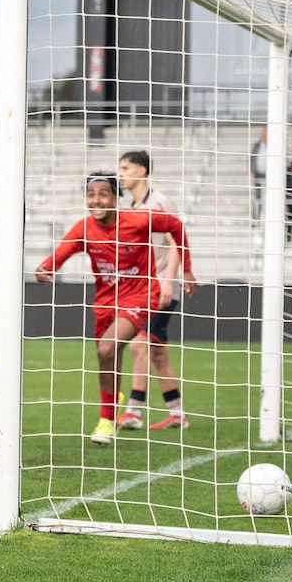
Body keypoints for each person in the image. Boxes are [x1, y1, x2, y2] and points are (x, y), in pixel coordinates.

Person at [36, 172, 191, 446]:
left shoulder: (139, 219)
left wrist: (186, 270)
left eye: (103, 193)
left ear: (116, 197)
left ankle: (106, 421)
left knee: (107, 347)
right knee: (107, 354)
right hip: (105, 303)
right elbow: (61, 253)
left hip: (142, 296)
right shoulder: (84, 228)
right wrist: (47, 267)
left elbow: (176, 226)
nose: (96, 200)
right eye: (91, 194)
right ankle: (115, 399)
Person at [113, 151, 198, 433]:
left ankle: (134, 411)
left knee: (139, 344)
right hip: (142, 289)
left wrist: (170, 279)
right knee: (158, 352)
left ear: (141, 170)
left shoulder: (159, 202)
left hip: (160, 288)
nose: (121, 173)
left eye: (125, 167)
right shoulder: (133, 207)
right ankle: (177, 414)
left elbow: (177, 241)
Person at [250, 127, 268, 223]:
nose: (264, 135)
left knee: (269, 198)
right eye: (263, 133)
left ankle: (268, 219)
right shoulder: (257, 145)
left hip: (270, 177)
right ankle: (256, 220)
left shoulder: (274, 145)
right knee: (258, 198)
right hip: (258, 176)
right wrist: (253, 173)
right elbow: (252, 159)